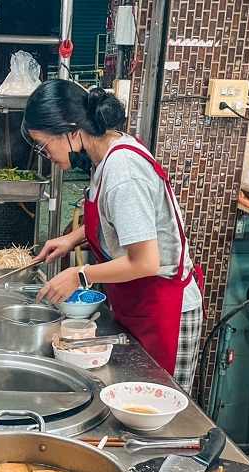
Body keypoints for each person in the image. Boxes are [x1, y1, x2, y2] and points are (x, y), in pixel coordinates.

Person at [22, 79, 204, 392]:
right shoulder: (109, 153)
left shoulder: (123, 171)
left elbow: (145, 262)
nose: (46, 155)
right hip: (141, 304)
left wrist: (80, 275)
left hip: (165, 311)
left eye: (44, 145)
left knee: (159, 415)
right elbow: (123, 221)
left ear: (70, 130)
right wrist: (74, 238)